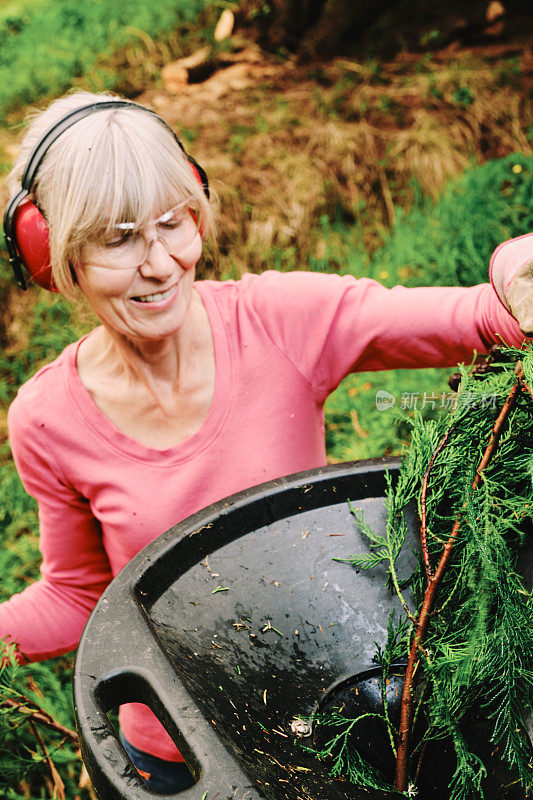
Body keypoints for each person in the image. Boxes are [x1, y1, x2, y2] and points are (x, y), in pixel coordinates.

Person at [1, 89, 532, 794]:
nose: (160, 264)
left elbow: (476, 316)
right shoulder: (47, 417)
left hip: (334, 713)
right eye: (119, 238)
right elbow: (78, 595)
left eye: (172, 223)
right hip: (179, 746)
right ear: (53, 253)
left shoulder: (280, 321)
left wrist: (515, 280)